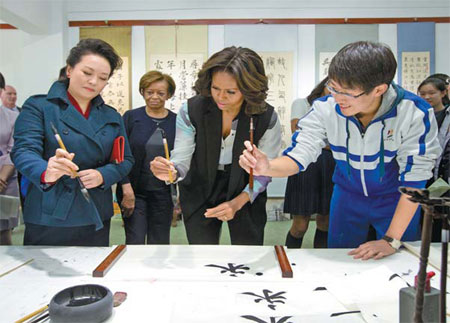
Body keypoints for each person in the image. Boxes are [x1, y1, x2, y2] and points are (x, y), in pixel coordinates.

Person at [240, 41, 441, 259]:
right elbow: (299, 155)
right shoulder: (325, 109)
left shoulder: (413, 113)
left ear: (379, 89)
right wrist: (268, 166)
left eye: (347, 93)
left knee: (401, 260)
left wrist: (391, 240)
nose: (337, 98)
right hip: (347, 196)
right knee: (341, 259)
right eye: (334, 88)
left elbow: (415, 182)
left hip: (396, 198)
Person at [151, 46, 281, 245]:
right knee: (202, 252)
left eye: (231, 91)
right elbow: (182, 156)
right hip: (200, 184)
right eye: (215, 88)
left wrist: (238, 202)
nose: (221, 97)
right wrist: (171, 171)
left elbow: (265, 172)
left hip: (245, 185)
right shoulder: (192, 109)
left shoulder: (266, 117)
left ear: (249, 88)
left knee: (248, 250)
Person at [11, 38, 134, 246]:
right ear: (69, 70)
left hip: (94, 209)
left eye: (103, 78)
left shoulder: (111, 116)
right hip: (50, 211)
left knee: (92, 274)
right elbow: (23, 151)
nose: (94, 82)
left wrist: (102, 175)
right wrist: (47, 171)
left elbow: (126, 160)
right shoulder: (40, 106)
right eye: (87, 73)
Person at [117, 70, 177, 244]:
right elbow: (120, 155)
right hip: (134, 192)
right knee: (134, 239)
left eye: (161, 93)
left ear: (169, 94)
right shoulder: (130, 117)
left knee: (160, 242)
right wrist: (126, 189)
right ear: (142, 92)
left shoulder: (176, 121)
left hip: (163, 193)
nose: (154, 97)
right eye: (149, 92)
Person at [284, 77, 335, 249]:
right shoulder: (302, 103)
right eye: (332, 86)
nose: (334, 91)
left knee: (325, 221)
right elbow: (297, 132)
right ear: (323, 85)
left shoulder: (339, 110)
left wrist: (325, 143)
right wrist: (330, 144)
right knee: (300, 224)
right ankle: (289, 260)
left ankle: (321, 263)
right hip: (305, 166)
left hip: (331, 167)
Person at [418, 77, 450, 241]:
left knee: (439, 222)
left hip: (441, 178)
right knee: (424, 225)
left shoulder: (447, 116)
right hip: (420, 176)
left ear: (443, 93)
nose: (426, 97)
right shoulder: (417, 116)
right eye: (422, 93)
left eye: (431, 93)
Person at [0, 73, 20, 245]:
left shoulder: (12, 117)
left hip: (5, 181)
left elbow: (14, 150)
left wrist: (2, 178)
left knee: (4, 231)